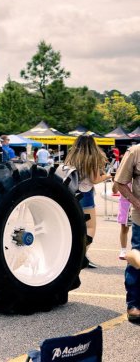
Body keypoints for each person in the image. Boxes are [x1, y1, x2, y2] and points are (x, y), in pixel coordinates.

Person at [64, 135, 110, 269]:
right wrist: (107, 176)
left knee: (74, 226)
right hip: (85, 194)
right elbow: (95, 179)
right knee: (90, 227)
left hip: (72, 193)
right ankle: (80, 257)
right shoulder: (92, 158)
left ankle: (70, 256)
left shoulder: (72, 157)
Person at [113, 143, 140, 323]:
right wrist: (136, 202)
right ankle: (134, 303)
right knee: (137, 261)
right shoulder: (135, 152)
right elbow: (120, 182)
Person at [118, 182, 132, 260]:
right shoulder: (123, 172)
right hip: (125, 203)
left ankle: (136, 250)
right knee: (124, 228)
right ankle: (123, 250)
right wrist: (116, 181)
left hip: (137, 201)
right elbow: (114, 190)